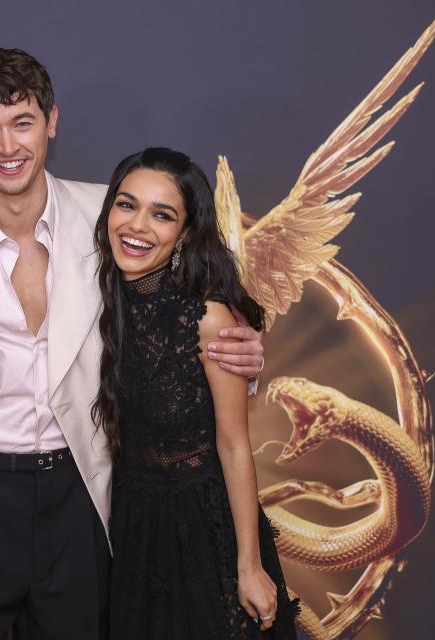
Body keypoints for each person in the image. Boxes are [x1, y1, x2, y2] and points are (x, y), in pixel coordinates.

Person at [0, 49, 265, 639]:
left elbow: (186, 309)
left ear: (52, 122)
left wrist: (241, 352)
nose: (7, 145)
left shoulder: (113, 217)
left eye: (21, 122)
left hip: (83, 497)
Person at [93, 148, 297, 638]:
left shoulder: (207, 319)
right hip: (129, 521)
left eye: (161, 215)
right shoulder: (100, 296)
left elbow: (232, 446)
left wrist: (248, 565)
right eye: (127, 205)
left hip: (202, 527)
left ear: (184, 233)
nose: (137, 226)